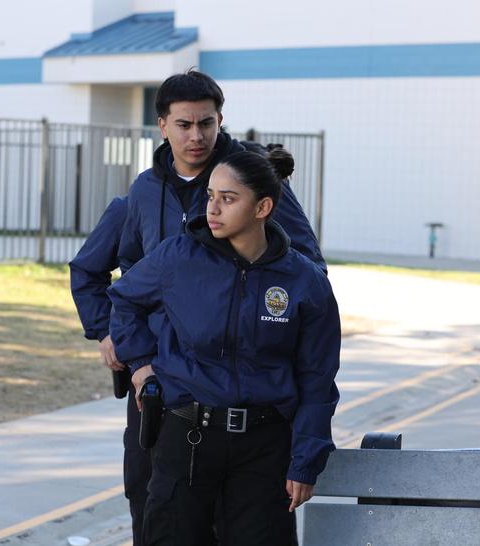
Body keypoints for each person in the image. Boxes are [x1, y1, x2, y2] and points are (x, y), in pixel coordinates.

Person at [70, 69, 325, 545]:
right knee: (153, 506)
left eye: (206, 123)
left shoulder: (251, 178)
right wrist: (118, 341)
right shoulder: (144, 192)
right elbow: (107, 278)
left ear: (220, 120)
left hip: (242, 395)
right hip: (160, 384)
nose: (196, 136)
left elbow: (307, 274)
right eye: (184, 125)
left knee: (238, 525)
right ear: (162, 126)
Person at [108, 148, 341, 545]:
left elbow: (318, 380)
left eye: (228, 199)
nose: (212, 208)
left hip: (264, 448)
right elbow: (124, 300)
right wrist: (142, 365)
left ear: (263, 207)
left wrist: (304, 462)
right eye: (210, 196)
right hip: (186, 437)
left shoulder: (305, 282)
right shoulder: (178, 257)